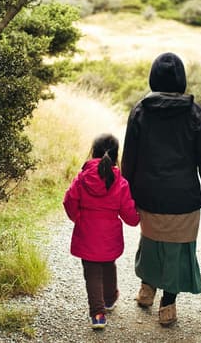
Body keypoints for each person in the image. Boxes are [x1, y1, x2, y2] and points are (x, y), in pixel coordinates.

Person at [121, 52, 201, 326]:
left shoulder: (140, 110)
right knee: (177, 251)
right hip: (183, 196)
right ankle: (168, 305)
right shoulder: (195, 112)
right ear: (181, 79)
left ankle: (146, 290)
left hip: (148, 194)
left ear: (154, 77)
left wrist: (125, 194)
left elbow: (130, 156)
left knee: (152, 243)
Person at [63, 133, 140, 329]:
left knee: (92, 273)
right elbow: (129, 214)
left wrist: (78, 219)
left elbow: (69, 201)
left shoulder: (81, 178)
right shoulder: (120, 182)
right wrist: (137, 217)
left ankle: (98, 315)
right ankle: (110, 298)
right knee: (108, 265)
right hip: (110, 236)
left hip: (86, 233)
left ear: (93, 152)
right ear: (116, 155)